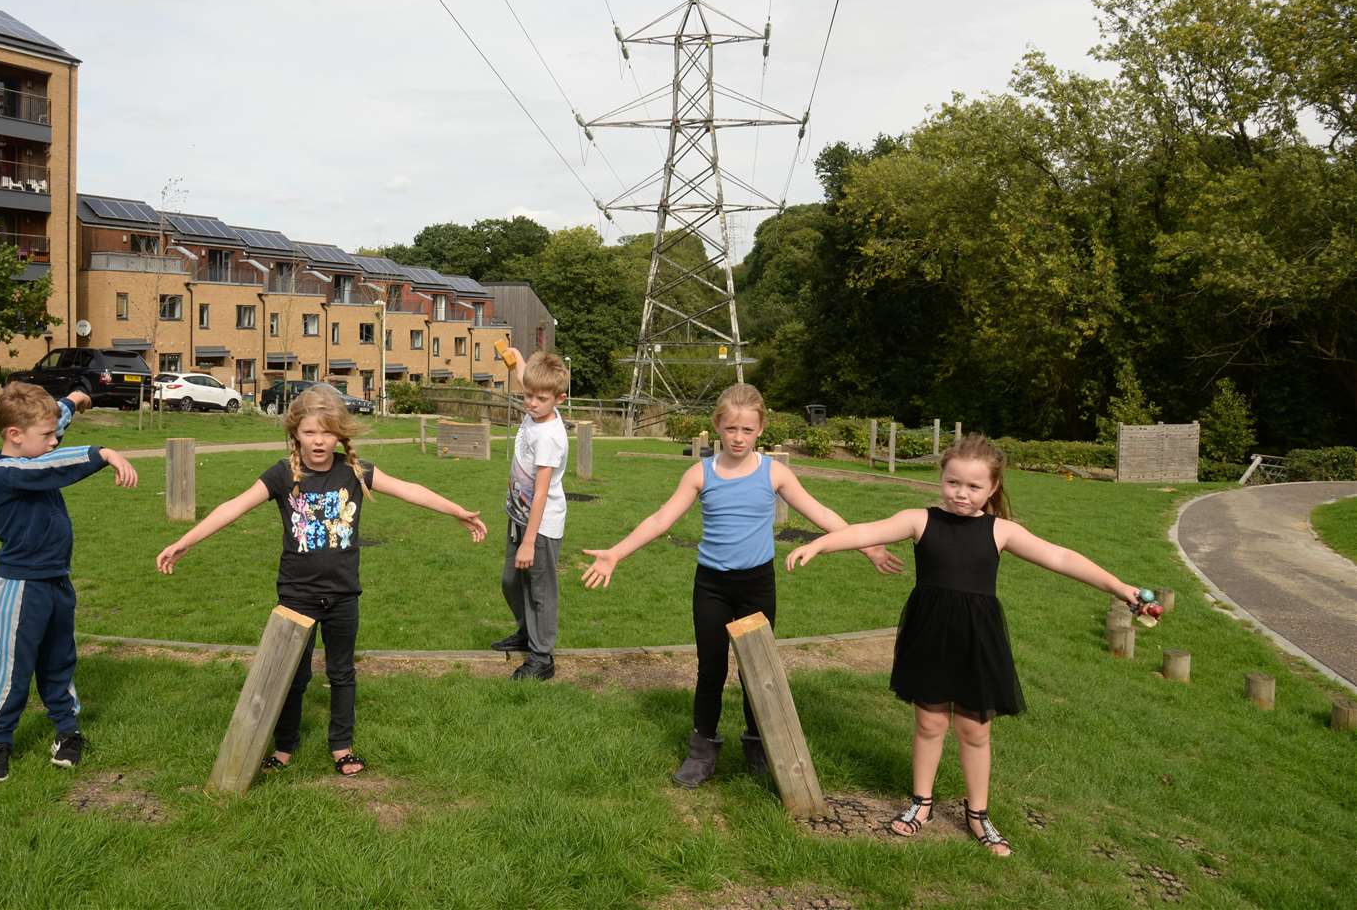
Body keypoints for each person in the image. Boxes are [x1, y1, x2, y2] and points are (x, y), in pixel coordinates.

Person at [785, 433, 1145, 856]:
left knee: (975, 730)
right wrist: (821, 544)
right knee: (930, 723)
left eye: (974, 487)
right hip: (930, 633)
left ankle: (978, 814)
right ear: (941, 478)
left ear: (993, 488)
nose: (961, 493)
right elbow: (867, 530)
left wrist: (1119, 586)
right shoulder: (920, 520)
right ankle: (921, 805)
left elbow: (1061, 557)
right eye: (953, 482)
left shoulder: (1001, 531)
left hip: (978, 640)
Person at [155, 385, 486, 777]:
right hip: (297, 595)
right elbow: (234, 506)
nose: (318, 441)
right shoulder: (282, 475)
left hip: (344, 595)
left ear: (340, 435)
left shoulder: (354, 473)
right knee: (292, 676)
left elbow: (408, 490)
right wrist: (185, 542)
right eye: (310, 432)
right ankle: (284, 746)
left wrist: (455, 511)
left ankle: (341, 746)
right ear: (296, 432)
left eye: (327, 433)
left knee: (342, 673)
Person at [582, 384, 902, 787]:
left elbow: (820, 511)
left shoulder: (775, 473)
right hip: (712, 587)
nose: (738, 437)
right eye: (731, 428)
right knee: (711, 669)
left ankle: (758, 745)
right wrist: (616, 553)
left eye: (747, 430)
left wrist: (867, 546)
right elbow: (661, 520)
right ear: (718, 425)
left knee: (758, 669)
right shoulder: (701, 474)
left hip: (756, 586)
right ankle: (701, 751)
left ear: (760, 429)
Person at [0, 384, 138, 784]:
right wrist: (104, 453)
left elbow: (50, 425)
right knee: (15, 666)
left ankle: (67, 731)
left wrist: (74, 400)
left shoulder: (30, 443)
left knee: (59, 659)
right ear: (14, 435)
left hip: (56, 583)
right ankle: (0, 742)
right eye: (47, 437)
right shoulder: (3, 472)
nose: (55, 442)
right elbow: (47, 466)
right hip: (19, 587)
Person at [491, 348, 570, 681]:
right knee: (511, 582)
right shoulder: (534, 409)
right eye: (528, 396)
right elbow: (525, 373)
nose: (532, 403)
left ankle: (542, 657)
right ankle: (527, 633)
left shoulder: (550, 436)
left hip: (541, 525)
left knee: (540, 591)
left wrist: (529, 542)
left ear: (559, 399)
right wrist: (516, 355)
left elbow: (540, 493)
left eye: (540, 398)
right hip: (519, 517)